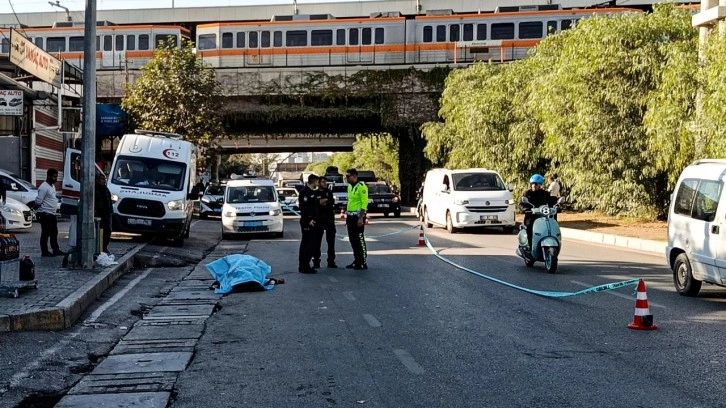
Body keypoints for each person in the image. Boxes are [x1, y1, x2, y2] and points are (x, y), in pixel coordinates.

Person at [520, 174, 558, 249]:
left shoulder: (545, 194)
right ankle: (530, 246)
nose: (534, 185)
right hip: (531, 216)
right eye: (532, 184)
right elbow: (521, 204)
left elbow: (552, 202)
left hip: (542, 216)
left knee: (550, 224)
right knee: (529, 225)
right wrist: (526, 209)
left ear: (540, 185)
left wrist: (557, 206)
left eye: (536, 184)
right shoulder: (527, 193)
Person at [35, 169, 65, 257]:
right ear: (48, 176)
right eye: (54, 177)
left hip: (52, 214)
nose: (56, 179)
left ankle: (55, 249)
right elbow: (38, 201)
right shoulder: (44, 187)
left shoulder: (52, 186)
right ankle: (44, 251)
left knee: (54, 233)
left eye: (56, 177)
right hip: (45, 214)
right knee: (45, 233)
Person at [345, 169, 368, 270]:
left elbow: (364, 203)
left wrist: (361, 218)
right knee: (352, 239)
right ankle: (357, 259)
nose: (346, 178)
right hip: (350, 216)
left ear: (354, 176)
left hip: (358, 216)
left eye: (348, 176)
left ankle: (362, 261)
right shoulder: (350, 186)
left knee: (359, 239)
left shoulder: (361, 187)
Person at [298, 174, 321, 274]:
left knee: (311, 244)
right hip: (307, 222)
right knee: (306, 244)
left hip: (313, 221)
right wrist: (309, 219)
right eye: (317, 182)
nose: (318, 184)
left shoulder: (313, 192)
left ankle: (306, 264)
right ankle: (304, 266)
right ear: (314, 181)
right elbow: (303, 208)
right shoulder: (305, 192)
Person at [313, 177, 337, 269]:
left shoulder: (329, 192)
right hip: (319, 220)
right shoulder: (315, 193)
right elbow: (315, 204)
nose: (325, 183)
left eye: (325, 181)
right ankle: (316, 261)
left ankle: (331, 261)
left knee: (331, 242)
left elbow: (331, 202)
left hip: (329, 220)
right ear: (318, 183)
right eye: (323, 182)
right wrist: (321, 201)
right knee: (317, 242)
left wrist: (324, 201)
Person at [95, 172, 113, 254]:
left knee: (107, 231)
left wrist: (110, 212)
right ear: (97, 180)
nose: (104, 181)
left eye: (104, 179)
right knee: (99, 231)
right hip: (99, 213)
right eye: (102, 179)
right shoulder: (95, 189)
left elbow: (109, 201)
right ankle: (99, 248)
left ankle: (104, 247)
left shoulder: (106, 189)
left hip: (106, 214)